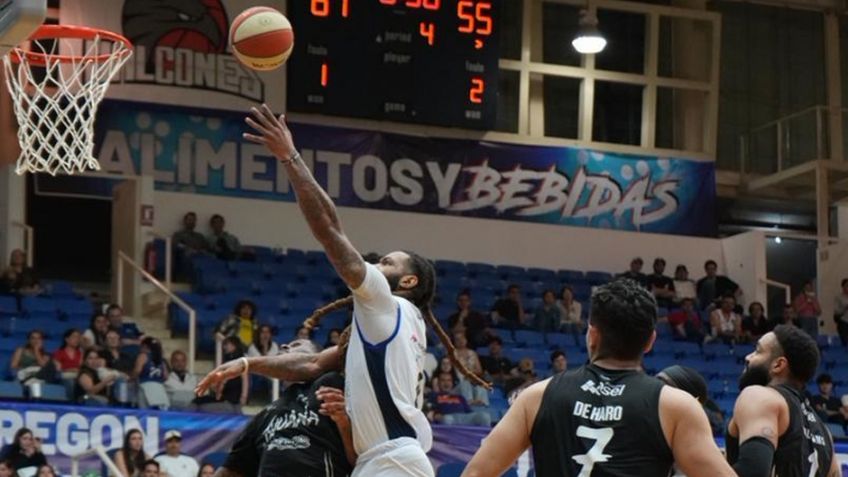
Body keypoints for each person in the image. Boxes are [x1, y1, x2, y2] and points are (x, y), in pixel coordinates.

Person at [199, 105, 487, 477]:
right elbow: (312, 364)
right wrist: (246, 363)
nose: (375, 266)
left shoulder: (387, 304)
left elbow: (329, 228)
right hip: (382, 460)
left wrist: (289, 158)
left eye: (386, 262)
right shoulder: (399, 325)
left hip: (393, 460)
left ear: (408, 282)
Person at [460, 279, 735, 477]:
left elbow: (476, 473)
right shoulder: (676, 406)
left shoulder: (537, 396)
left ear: (591, 335)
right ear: (650, 341)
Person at [216, 340, 355, 477]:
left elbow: (359, 457)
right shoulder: (264, 415)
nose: (284, 346)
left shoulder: (332, 384)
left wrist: (343, 423)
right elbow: (230, 470)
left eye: (296, 345)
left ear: (318, 356)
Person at [727, 325, 839, 476]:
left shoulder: (760, 397)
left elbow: (753, 471)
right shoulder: (825, 433)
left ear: (778, 365)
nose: (748, 357)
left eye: (758, 351)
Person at [194, 337, 248, 413]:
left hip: (232, 400)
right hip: (225, 397)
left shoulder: (240, 361)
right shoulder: (227, 360)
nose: (224, 347)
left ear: (234, 345)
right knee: (198, 401)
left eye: (227, 344)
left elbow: (244, 379)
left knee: (203, 408)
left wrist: (244, 396)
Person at [427, 371, 491, 427]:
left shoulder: (460, 397)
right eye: (443, 380)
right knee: (447, 419)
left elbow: (469, 411)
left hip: (464, 417)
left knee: (484, 417)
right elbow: (429, 410)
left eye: (449, 380)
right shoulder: (434, 396)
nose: (446, 383)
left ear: (452, 383)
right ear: (439, 383)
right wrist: (435, 415)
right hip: (449, 417)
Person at [833, 278, 848, 346]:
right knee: (845, 343)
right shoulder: (838, 297)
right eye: (847, 285)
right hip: (843, 322)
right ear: (843, 287)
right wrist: (845, 307)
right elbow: (837, 311)